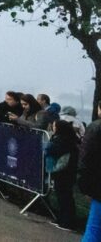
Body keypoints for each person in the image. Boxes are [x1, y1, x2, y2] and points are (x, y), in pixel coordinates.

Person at [46, 119, 80, 232]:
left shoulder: (62, 141)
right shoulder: (69, 140)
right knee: (62, 195)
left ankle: (68, 222)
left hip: (65, 171)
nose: (53, 128)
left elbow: (51, 149)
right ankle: (62, 219)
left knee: (64, 195)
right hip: (67, 171)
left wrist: (50, 138)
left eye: (55, 126)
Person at [79, 100, 101, 242]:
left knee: (94, 227)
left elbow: (85, 158)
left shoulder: (95, 128)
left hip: (98, 185)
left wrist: (84, 183)